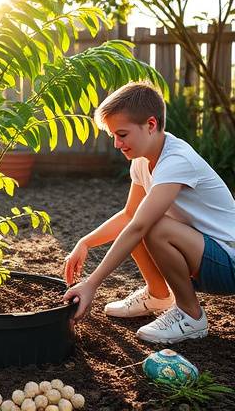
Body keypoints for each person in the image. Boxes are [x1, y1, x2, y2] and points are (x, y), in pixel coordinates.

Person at [63, 81, 235, 344]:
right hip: (204, 255)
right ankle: (158, 295)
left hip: (228, 262)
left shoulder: (177, 160)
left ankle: (191, 316)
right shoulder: (143, 160)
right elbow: (129, 215)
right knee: (138, 221)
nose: (117, 144)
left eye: (122, 134)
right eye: (113, 137)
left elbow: (140, 226)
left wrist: (92, 283)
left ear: (151, 125)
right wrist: (85, 242)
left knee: (153, 226)